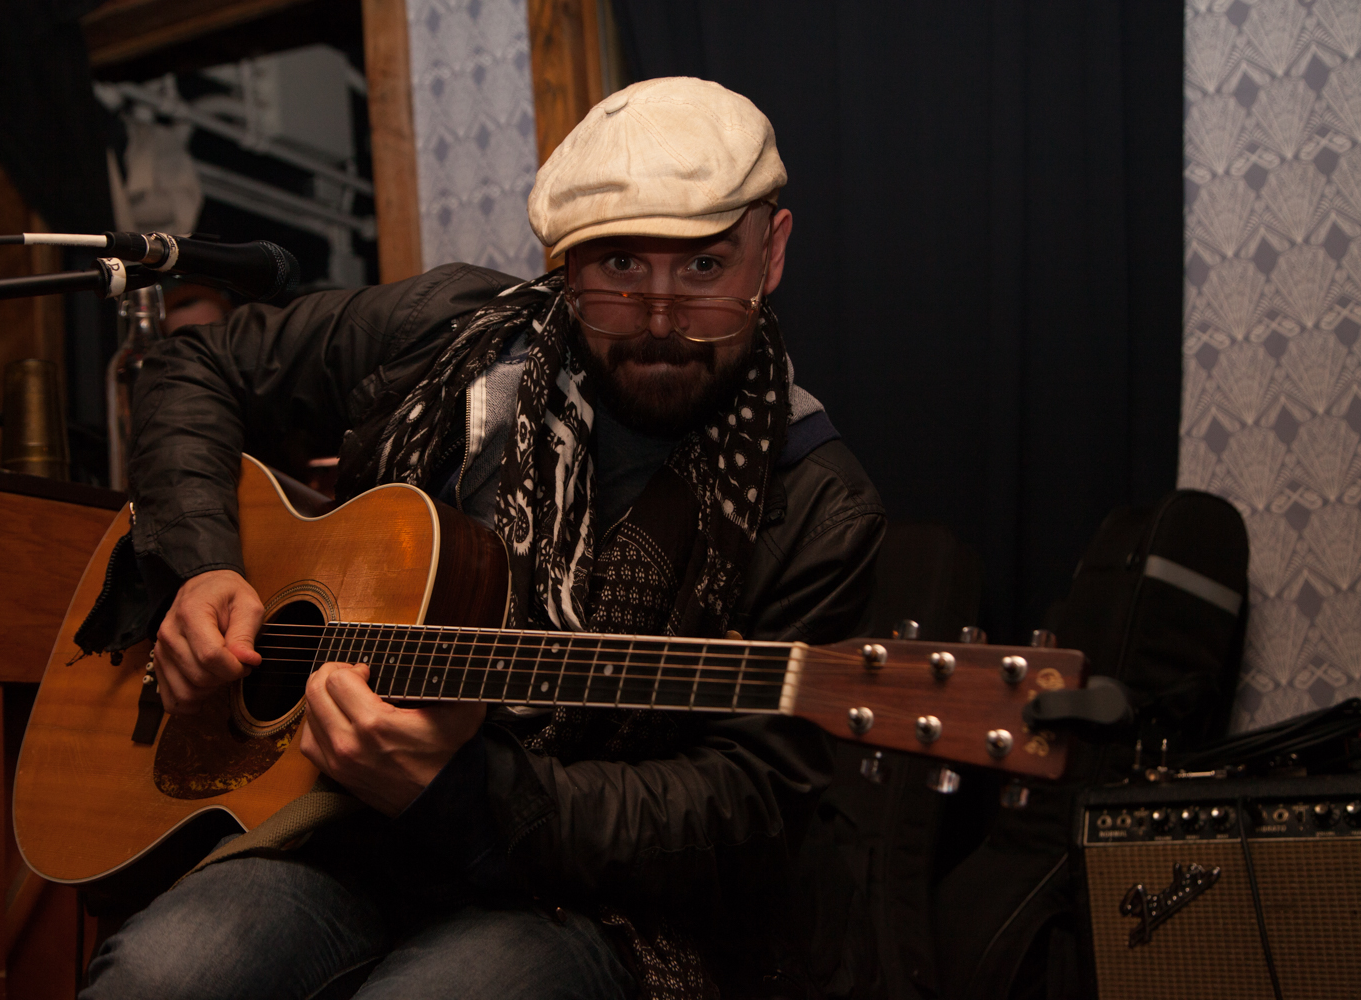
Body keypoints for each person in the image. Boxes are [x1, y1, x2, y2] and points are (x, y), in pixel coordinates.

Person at [86, 77, 885, 1000]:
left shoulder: (816, 503)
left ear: (770, 252)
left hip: (587, 899)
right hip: (340, 829)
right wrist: (202, 568)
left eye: (704, 266)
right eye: (622, 266)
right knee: (160, 975)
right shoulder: (447, 334)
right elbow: (195, 366)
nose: (661, 318)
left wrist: (468, 792)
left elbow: (745, 809)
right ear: (563, 262)